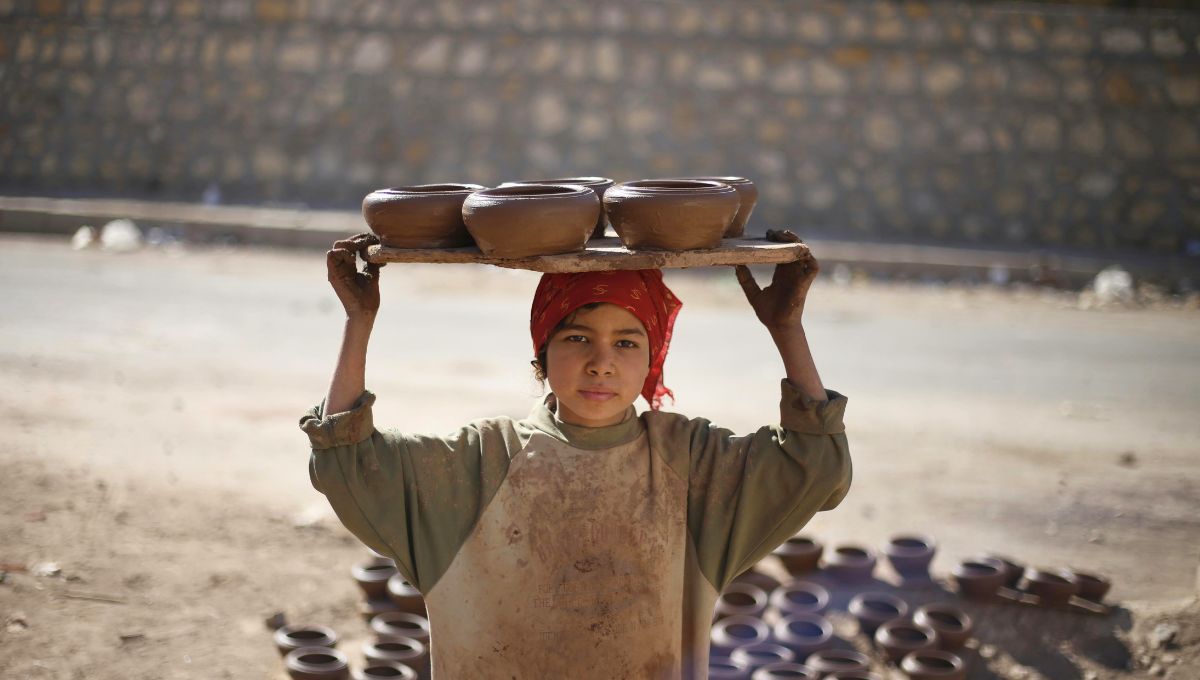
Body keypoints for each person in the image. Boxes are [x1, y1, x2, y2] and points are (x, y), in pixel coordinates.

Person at [301, 232, 851, 679]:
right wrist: (359, 321)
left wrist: (786, 329)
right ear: (541, 353)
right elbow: (347, 462)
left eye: (628, 343)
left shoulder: (689, 462)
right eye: (577, 338)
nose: (602, 363)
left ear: (652, 360)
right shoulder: (481, 461)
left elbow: (815, 466)